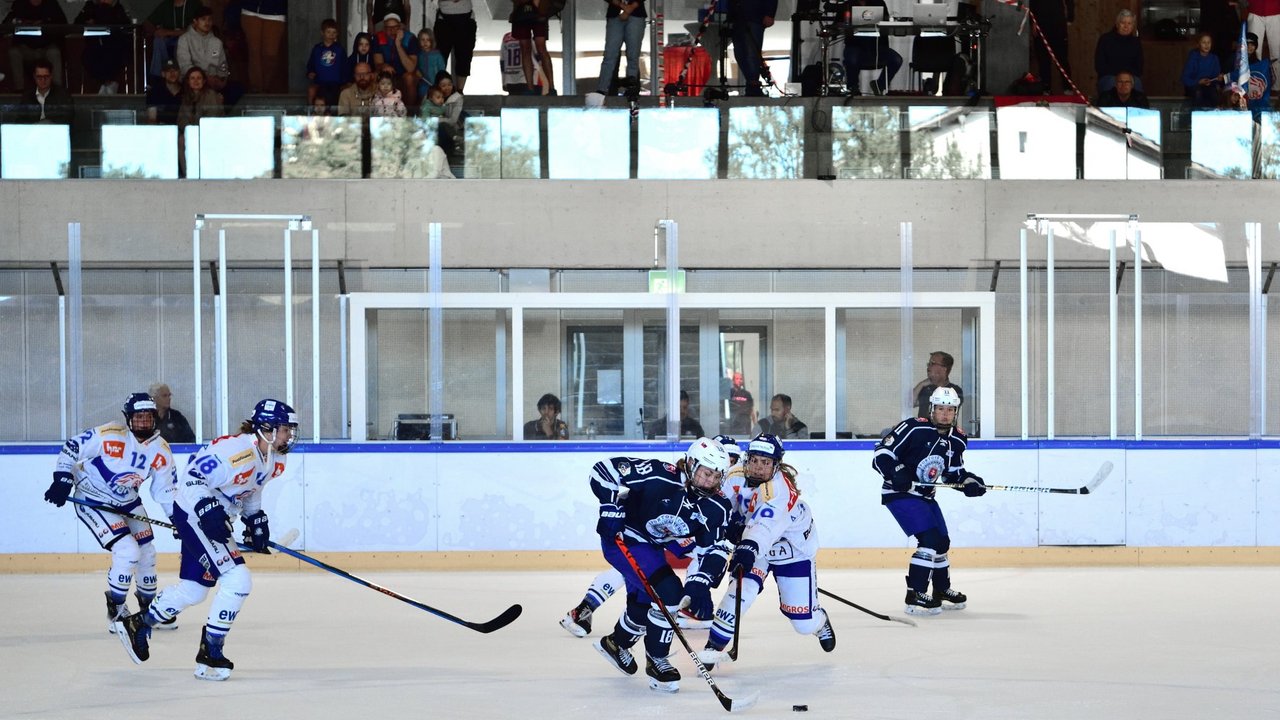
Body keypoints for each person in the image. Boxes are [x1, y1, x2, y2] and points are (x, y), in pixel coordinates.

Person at [113, 399, 298, 681]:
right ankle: (211, 651)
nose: (289, 435)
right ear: (266, 429)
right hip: (192, 513)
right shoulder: (236, 451)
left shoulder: (273, 457)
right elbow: (192, 477)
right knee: (238, 580)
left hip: (212, 517)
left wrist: (255, 519)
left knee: (194, 590)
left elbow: (252, 487)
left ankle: (139, 623)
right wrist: (206, 509)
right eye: (285, 429)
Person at [558, 436, 743, 639]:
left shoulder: (731, 481)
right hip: (665, 527)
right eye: (728, 459)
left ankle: (631, 621)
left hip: (682, 527)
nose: (727, 466)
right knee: (639, 565)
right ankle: (586, 607)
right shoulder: (683, 480)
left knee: (680, 564)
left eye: (733, 460)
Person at [590, 437, 733, 693]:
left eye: (716, 476)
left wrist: (701, 583)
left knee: (645, 601)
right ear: (691, 464)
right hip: (623, 538)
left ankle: (616, 643)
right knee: (669, 594)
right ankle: (657, 660)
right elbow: (604, 470)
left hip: (652, 546)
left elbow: (715, 548)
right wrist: (610, 507)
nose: (709, 481)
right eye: (705, 473)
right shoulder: (661, 475)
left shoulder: (717, 506)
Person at [42, 393, 178, 634]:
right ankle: (116, 607)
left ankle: (149, 609)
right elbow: (74, 446)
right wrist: (63, 477)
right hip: (93, 498)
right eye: (139, 418)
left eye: (148, 418)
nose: (144, 423)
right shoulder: (110, 435)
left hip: (128, 501)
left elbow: (166, 491)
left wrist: (179, 519)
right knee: (128, 551)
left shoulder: (161, 451)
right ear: (128, 419)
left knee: (147, 553)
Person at [700, 434, 835, 669]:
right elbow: (720, 505)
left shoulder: (778, 490)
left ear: (776, 464)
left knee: (803, 624)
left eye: (766, 462)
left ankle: (819, 621)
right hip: (757, 547)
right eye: (754, 460)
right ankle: (714, 646)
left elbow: (764, 526)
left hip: (791, 549)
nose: (759, 468)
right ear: (747, 458)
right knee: (741, 590)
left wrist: (746, 547)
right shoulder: (734, 475)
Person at [872, 387, 986, 615]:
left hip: (925, 496)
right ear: (932, 408)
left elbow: (952, 474)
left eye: (950, 410)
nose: (945, 414)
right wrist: (897, 471)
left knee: (942, 543)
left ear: (956, 412)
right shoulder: (914, 427)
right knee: (930, 540)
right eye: (941, 408)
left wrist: (970, 482)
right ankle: (915, 595)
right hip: (900, 494)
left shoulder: (958, 439)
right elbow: (881, 454)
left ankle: (941, 589)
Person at [177, 7, 242, 106]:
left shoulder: (217, 42)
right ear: (195, 21)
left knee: (237, 89)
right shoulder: (184, 39)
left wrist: (222, 79)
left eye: (209, 20)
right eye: (203, 19)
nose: (207, 23)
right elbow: (185, 66)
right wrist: (205, 78)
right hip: (193, 82)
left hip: (213, 82)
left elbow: (223, 65)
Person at [3, 0, 68, 93]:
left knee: (54, 52)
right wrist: (22, 22)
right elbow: (8, 22)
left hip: (46, 47)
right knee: (14, 52)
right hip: (25, 47)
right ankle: (19, 90)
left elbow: (62, 23)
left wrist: (44, 22)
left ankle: (57, 91)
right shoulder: (19, 3)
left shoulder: (51, 4)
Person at [841, 0, 901, 95]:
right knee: (852, 59)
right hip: (855, 46)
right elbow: (837, 25)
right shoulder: (847, 5)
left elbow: (886, 23)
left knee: (896, 59)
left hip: (877, 47)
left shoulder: (879, 3)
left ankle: (879, 85)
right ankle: (853, 88)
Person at [74, 0, 132, 94]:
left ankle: (108, 84)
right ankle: (104, 84)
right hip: (94, 47)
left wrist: (105, 9)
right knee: (89, 57)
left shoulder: (118, 8)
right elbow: (77, 23)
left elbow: (124, 26)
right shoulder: (90, 5)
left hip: (115, 48)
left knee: (113, 57)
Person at [143, 0, 205, 82]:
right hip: (168, 39)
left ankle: (181, 78)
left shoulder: (194, 5)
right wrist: (156, 32)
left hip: (188, 39)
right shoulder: (166, 5)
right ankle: (158, 77)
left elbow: (198, 28)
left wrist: (169, 32)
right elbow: (147, 23)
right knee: (158, 41)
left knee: (181, 43)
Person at [730, 0, 777, 97]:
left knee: (751, 53)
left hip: (755, 17)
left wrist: (770, 13)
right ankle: (751, 84)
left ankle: (753, 85)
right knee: (740, 53)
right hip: (738, 19)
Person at [372, 12, 420, 106]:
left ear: (400, 27)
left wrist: (398, 44)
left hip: (404, 75)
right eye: (389, 28)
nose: (392, 31)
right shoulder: (378, 38)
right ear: (384, 28)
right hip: (387, 74)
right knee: (374, 75)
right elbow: (378, 63)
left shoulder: (410, 38)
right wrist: (384, 66)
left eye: (395, 27)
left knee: (409, 77)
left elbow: (410, 68)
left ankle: (409, 112)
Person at [239, 0, 287, 93]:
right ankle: (256, 88)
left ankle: (268, 88)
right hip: (250, 10)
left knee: (271, 54)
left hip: (276, 12)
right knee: (254, 52)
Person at [1027, 0, 1073, 95]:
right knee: (1043, 58)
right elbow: (1032, 3)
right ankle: (1046, 88)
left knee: (1061, 58)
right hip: (1041, 23)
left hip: (1057, 23)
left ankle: (1068, 88)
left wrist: (1070, 17)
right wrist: (1032, 22)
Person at [1095, 9, 1144, 95]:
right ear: (1117, 24)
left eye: (1129, 23)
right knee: (1111, 83)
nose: (1126, 26)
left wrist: (1126, 78)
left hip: (1130, 78)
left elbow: (1139, 68)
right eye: (1123, 23)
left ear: (1133, 26)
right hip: (1109, 77)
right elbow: (1100, 66)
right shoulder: (1105, 39)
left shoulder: (1136, 42)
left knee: (1137, 84)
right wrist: (1120, 78)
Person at [512, 0, 556, 95]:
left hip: (534, 10)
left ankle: (546, 88)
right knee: (531, 49)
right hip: (529, 11)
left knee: (538, 48)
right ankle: (535, 88)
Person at [435, 0, 478, 91]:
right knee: (440, 58)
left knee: (464, 57)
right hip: (444, 17)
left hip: (466, 16)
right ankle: (439, 91)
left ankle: (459, 91)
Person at [18, 59, 74, 124]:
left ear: (51, 76)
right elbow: (20, 120)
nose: (43, 80)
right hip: (32, 132)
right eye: (39, 77)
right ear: (34, 77)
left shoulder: (63, 95)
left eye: (46, 76)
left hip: (55, 131)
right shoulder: (27, 96)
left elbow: (67, 118)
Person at [306, 18, 346, 107]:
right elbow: (311, 64)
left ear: (337, 34)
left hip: (336, 83)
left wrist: (344, 82)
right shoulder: (317, 49)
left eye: (334, 32)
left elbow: (344, 66)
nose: (331, 35)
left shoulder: (339, 49)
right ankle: (311, 113)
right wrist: (310, 72)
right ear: (322, 33)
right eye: (328, 32)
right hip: (320, 82)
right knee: (311, 90)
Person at [912, 351, 963, 420]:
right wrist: (921, 384)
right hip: (923, 429)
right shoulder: (927, 388)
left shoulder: (954, 391)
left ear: (944, 369)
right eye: (929, 363)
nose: (928, 366)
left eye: (932, 363)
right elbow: (909, 403)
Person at [1183, 32, 1224, 109]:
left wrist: (1218, 78)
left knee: (1214, 94)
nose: (1206, 45)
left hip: (1209, 86)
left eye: (1209, 42)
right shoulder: (1193, 58)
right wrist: (1198, 82)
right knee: (1198, 93)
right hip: (1194, 86)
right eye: (1204, 42)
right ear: (1198, 44)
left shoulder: (1214, 58)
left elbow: (1216, 77)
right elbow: (1185, 79)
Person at [1246, 0, 1280, 87]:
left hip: (1276, 10)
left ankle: (1277, 86)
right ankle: (1254, 85)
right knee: (1252, 51)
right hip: (1255, 9)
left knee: (1277, 50)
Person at [146, 59, 184, 123]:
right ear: (163, 74)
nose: (172, 73)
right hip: (162, 130)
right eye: (168, 71)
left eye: (175, 70)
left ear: (179, 72)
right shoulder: (154, 92)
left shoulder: (186, 90)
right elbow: (152, 119)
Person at [415, 28, 446, 101]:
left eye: (428, 40)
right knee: (423, 96)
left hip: (436, 84)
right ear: (419, 41)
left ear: (432, 41)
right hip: (423, 83)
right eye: (422, 40)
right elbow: (415, 66)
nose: (425, 42)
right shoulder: (418, 54)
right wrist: (417, 71)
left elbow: (442, 70)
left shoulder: (437, 55)